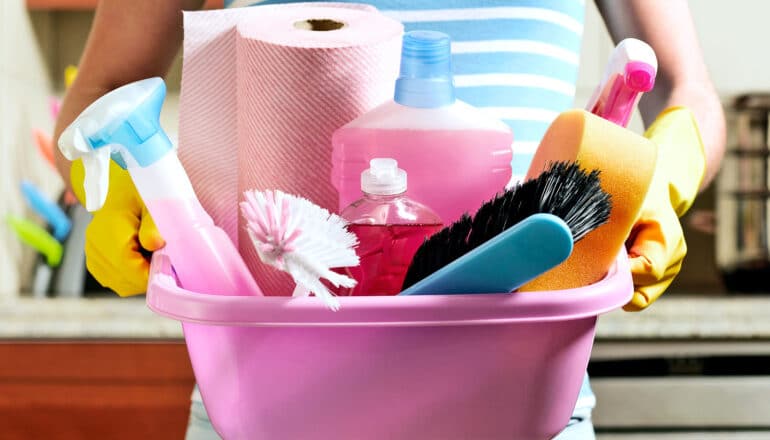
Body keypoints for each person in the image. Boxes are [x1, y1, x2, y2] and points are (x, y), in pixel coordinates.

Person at [53, 1, 726, 438]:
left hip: (521, 405)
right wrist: (121, 187)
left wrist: (668, 173)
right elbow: (100, 86)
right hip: (269, 407)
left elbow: (685, 87)